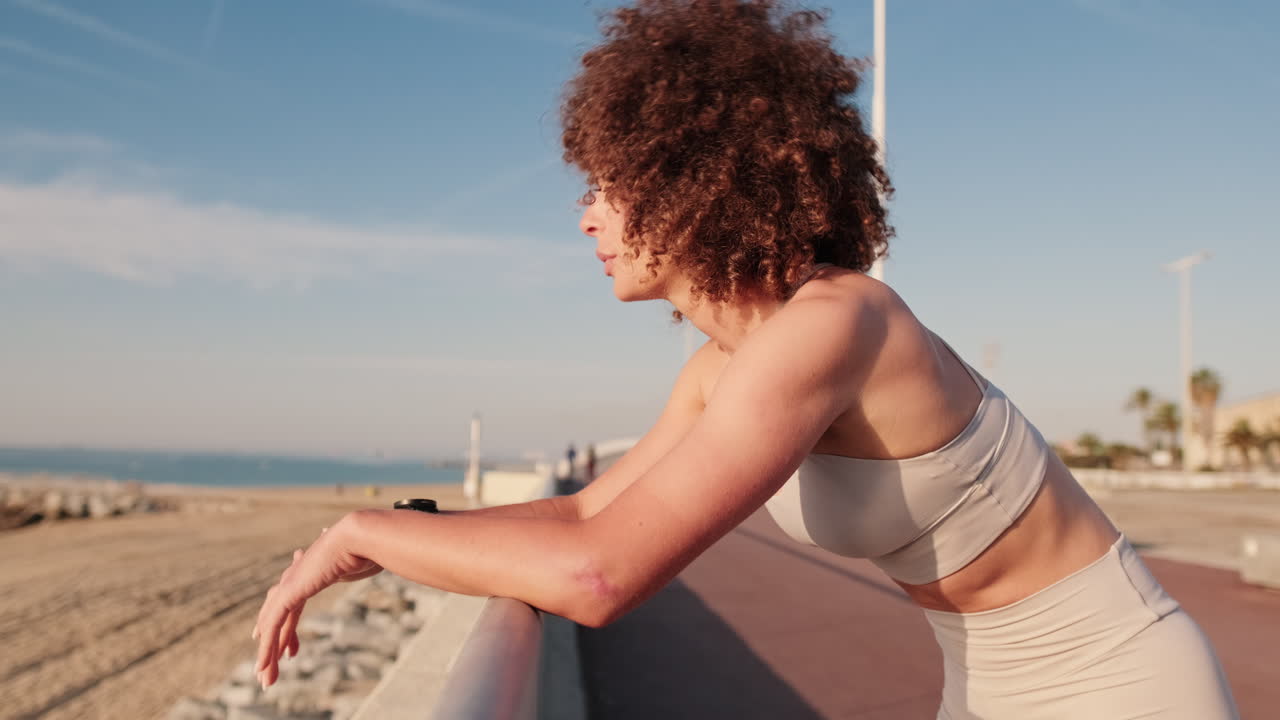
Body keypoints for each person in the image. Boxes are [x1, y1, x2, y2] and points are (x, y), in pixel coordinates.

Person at [251, 2, 1240, 717]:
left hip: (1117, 680)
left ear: (689, 178)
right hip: (979, 685)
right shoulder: (721, 370)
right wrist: (386, 530)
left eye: (607, 184)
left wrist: (363, 533)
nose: (584, 214)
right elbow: (584, 512)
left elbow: (599, 577)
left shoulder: (836, 324)